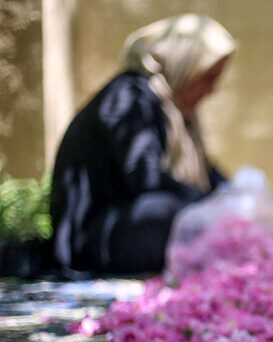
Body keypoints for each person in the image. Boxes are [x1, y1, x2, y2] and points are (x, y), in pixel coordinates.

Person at [50, 14, 235, 276]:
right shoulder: (130, 98)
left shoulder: (178, 112)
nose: (212, 90)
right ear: (186, 65)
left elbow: (209, 175)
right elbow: (145, 179)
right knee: (167, 212)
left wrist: (235, 196)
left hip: (124, 228)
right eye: (209, 77)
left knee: (205, 212)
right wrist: (210, 203)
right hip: (92, 240)